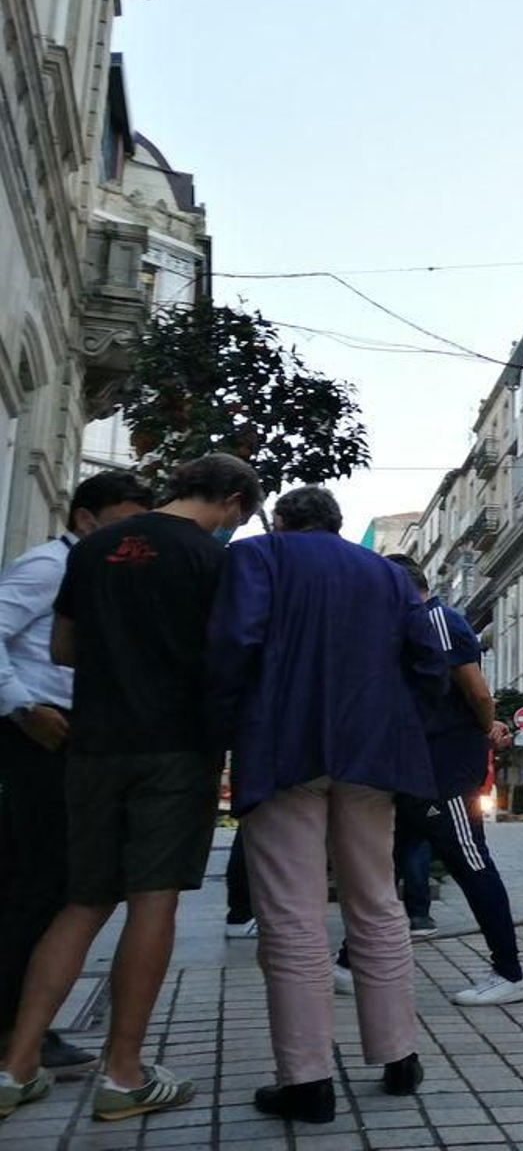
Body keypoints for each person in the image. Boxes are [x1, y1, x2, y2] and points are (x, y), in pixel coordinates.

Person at [0, 453, 259, 1124]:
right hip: (175, 747)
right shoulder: (214, 560)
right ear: (233, 501)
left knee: (81, 901)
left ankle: (15, 1066)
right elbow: (230, 653)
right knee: (152, 902)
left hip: (91, 745)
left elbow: (61, 649)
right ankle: (123, 1075)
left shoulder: (91, 549)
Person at [209, 487, 447, 1124]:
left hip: (282, 748)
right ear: (337, 525)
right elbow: (429, 661)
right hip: (372, 753)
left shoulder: (256, 557)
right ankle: (399, 1056)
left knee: (292, 913)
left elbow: (233, 646)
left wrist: (222, 728)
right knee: (377, 901)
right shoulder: (387, 574)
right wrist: (398, 721)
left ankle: (307, 1081)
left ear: (283, 522)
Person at [0, 472, 152, 1081]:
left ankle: (25, 1026)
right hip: (35, 735)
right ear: (86, 519)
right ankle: (15, 1031)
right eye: (124, 522)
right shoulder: (47, 567)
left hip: (73, 736)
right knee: (42, 880)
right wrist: (22, 707)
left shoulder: (94, 571)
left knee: (58, 879)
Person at [385, 554, 523, 1006]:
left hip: (446, 767)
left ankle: (510, 972)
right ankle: (352, 960)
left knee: (470, 860)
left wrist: (486, 727)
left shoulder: (437, 620)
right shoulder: (415, 625)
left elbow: (477, 691)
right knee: (388, 858)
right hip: (422, 766)